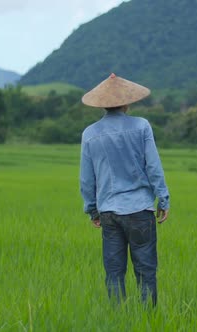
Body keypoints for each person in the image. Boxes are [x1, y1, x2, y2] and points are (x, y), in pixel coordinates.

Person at [79, 73, 170, 306]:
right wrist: (163, 199)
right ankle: (147, 320)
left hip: (109, 211)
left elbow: (87, 180)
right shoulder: (142, 127)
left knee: (114, 272)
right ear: (127, 101)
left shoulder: (90, 134)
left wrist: (92, 210)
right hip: (140, 209)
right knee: (146, 270)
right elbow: (153, 166)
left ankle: (116, 320)